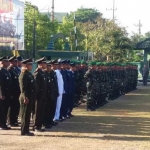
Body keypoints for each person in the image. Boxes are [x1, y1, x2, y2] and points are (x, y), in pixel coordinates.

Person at [19, 58, 36, 136]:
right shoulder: (23, 75)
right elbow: (23, 88)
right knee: (24, 115)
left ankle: (27, 130)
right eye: (30, 64)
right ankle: (23, 131)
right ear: (25, 65)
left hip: (30, 97)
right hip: (25, 97)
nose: (31, 66)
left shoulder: (29, 74)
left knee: (28, 115)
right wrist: (25, 97)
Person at [33, 57, 47, 132]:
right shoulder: (37, 73)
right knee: (37, 111)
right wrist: (36, 96)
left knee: (41, 111)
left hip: (42, 95)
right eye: (44, 63)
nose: (46, 65)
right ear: (40, 64)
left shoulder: (42, 72)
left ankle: (39, 125)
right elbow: (36, 86)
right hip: (38, 96)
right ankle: (36, 126)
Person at [0, 56, 12, 130]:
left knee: (5, 109)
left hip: (7, 93)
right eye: (6, 61)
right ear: (2, 62)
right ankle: (2, 124)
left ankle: (4, 123)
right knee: (2, 110)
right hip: (3, 94)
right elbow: (0, 84)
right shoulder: (1, 71)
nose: (8, 62)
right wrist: (1, 94)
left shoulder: (6, 71)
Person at [8, 56, 20, 126]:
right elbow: (10, 83)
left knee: (16, 107)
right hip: (13, 92)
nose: (16, 62)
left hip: (17, 92)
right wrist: (11, 93)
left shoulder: (16, 70)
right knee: (12, 107)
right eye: (15, 61)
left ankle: (14, 119)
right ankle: (11, 121)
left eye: (16, 61)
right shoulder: (9, 70)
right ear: (11, 62)